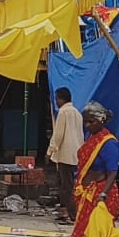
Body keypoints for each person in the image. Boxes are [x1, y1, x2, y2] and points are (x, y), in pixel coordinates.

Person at [61, 101, 119, 237]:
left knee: (94, 234)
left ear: (101, 120)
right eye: (85, 122)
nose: (87, 126)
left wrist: (102, 196)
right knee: (83, 232)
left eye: (91, 122)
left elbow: (112, 172)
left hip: (101, 194)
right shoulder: (91, 138)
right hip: (87, 193)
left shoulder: (108, 143)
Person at [46, 87, 83, 223]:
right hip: (76, 153)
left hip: (65, 154)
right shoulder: (77, 113)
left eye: (57, 99)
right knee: (67, 184)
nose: (56, 102)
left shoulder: (63, 112)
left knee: (66, 186)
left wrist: (50, 151)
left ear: (61, 99)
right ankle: (65, 211)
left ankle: (73, 215)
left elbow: (58, 135)